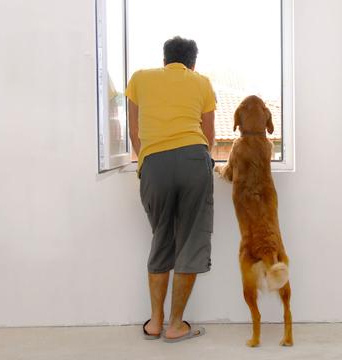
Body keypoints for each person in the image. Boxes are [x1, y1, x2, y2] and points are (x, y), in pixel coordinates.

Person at [125, 36, 216, 342]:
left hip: (154, 165)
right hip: (193, 159)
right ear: (192, 63)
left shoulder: (139, 78)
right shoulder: (201, 82)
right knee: (191, 239)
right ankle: (177, 325)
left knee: (161, 237)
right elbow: (209, 134)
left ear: (164, 60)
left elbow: (134, 131)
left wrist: (146, 159)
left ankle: (155, 322)